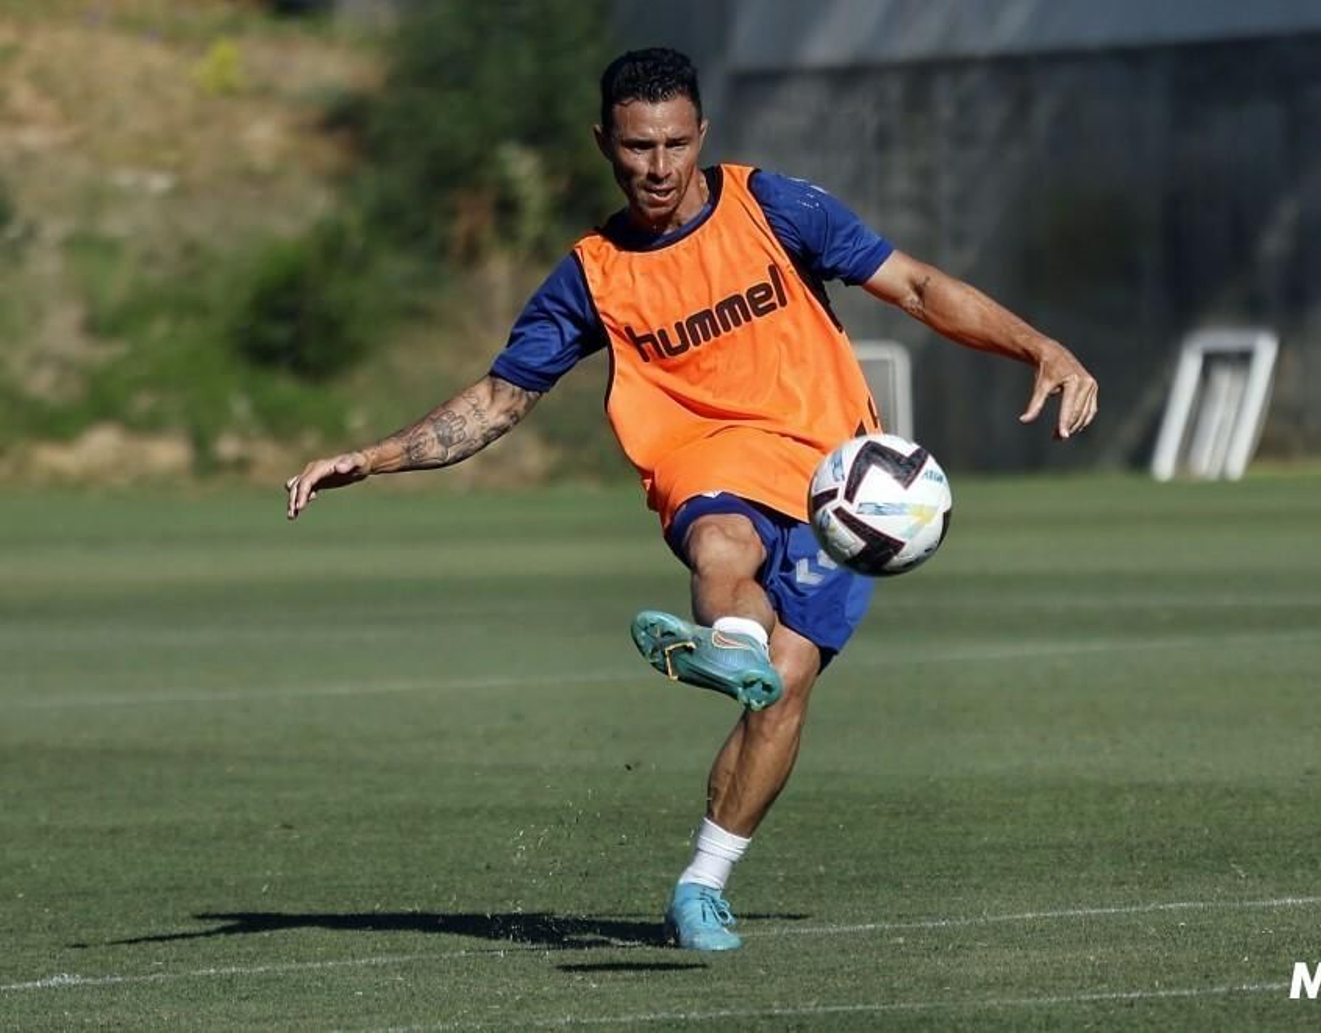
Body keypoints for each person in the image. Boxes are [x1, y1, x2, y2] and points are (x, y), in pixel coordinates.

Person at [285, 47, 1097, 952]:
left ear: (702, 133)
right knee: (721, 537)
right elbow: (499, 400)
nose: (659, 166)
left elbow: (915, 286)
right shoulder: (592, 275)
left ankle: (702, 882)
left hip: (836, 483)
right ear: (605, 144)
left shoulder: (775, 207)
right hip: (702, 456)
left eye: (675, 143)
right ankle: (731, 642)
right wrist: (377, 457)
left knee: (784, 691)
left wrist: (1040, 347)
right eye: (638, 147)